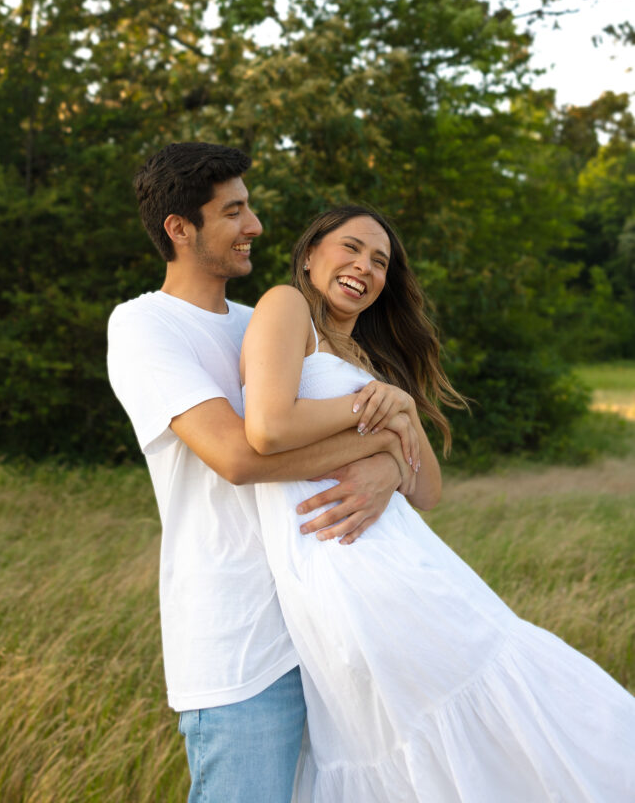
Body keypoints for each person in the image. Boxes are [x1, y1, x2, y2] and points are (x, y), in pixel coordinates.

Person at [240, 204, 635, 803]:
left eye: (380, 262)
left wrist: (395, 433)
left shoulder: (368, 359)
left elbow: (427, 490)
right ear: (310, 253)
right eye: (350, 249)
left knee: (491, 720)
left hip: (406, 561)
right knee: (434, 735)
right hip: (346, 563)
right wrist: (380, 420)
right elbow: (268, 428)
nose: (364, 268)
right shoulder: (286, 307)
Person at [107, 144, 419, 803]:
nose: (254, 226)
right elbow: (239, 458)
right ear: (179, 229)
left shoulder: (266, 323)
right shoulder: (143, 326)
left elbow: (397, 455)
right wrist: (379, 445)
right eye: (234, 211)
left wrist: (391, 466)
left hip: (330, 629)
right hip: (240, 642)